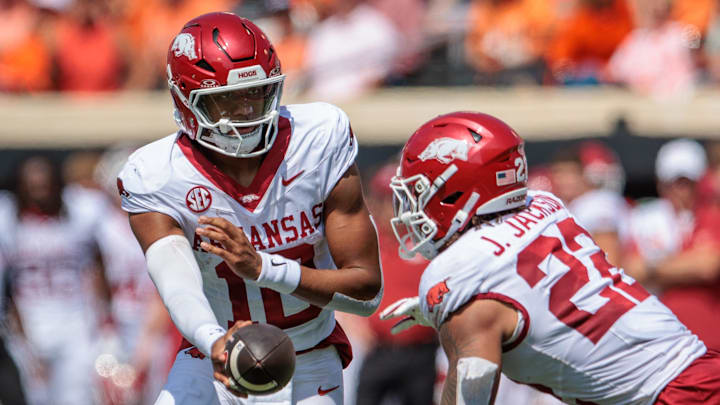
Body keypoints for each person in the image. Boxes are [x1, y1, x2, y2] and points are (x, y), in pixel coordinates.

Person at [117, 12, 382, 405]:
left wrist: (263, 268)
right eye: (226, 99)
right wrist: (215, 342)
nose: (246, 112)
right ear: (186, 101)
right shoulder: (156, 173)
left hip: (306, 358)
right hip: (213, 352)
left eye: (255, 92)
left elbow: (365, 292)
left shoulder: (319, 138)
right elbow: (177, 284)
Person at [380, 112, 720, 404]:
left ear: (457, 192)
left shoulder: (462, 279)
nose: (412, 209)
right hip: (697, 370)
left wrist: (446, 304)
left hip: (672, 394)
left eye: (420, 192)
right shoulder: (545, 205)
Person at [3, 156, 111, 405]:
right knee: (35, 397)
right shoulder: (8, 220)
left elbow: (97, 265)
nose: (40, 192)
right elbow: (7, 285)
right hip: (29, 321)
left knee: (76, 396)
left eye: (45, 185)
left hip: (75, 319)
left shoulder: (80, 213)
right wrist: (19, 334)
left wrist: (105, 315)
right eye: (33, 186)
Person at [624, 139, 720, 351]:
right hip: (662, 340)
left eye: (687, 183)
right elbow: (631, 270)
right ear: (661, 183)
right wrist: (684, 264)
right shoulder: (645, 218)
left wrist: (654, 268)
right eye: (674, 182)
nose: (681, 190)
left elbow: (707, 266)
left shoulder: (711, 214)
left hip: (709, 339)